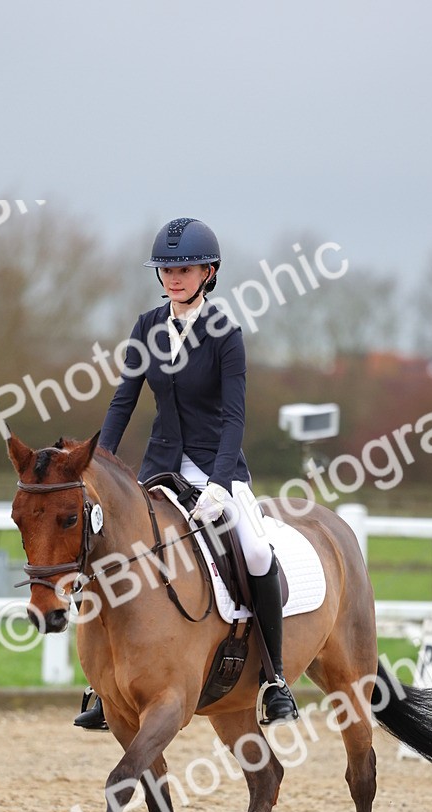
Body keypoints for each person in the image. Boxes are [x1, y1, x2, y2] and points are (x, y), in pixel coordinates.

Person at [74, 217, 298, 730]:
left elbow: (234, 418)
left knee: (258, 552)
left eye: (186, 268)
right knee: (111, 547)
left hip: (217, 470)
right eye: (167, 269)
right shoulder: (147, 327)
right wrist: (97, 468)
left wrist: (219, 484)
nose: (175, 277)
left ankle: (274, 681)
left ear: (208, 272)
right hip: (159, 468)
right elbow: (123, 401)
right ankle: (100, 687)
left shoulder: (227, 335)